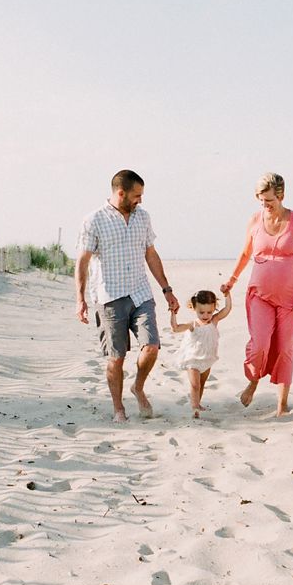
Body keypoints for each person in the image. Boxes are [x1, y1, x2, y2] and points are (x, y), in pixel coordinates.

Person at [75, 169, 180, 423]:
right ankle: (118, 408)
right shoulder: (94, 220)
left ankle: (138, 387)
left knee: (152, 346)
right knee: (116, 357)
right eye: (136, 195)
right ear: (120, 193)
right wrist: (80, 299)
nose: (140, 200)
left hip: (141, 292)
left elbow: (151, 255)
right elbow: (82, 261)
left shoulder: (142, 218)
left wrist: (167, 289)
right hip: (109, 296)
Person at [220, 172, 293, 417]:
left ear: (281, 196)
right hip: (259, 294)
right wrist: (231, 280)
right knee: (260, 344)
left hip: (292, 298)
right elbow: (244, 254)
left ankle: (282, 406)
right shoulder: (254, 220)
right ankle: (253, 382)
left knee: (285, 349)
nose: (265, 206)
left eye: (269, 201)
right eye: (261, 201)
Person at [167, 289, 232, 418]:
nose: (206, 315)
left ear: (214, 309)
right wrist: (173, 314)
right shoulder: (194, 324)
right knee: (195, 385)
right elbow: (175, 328)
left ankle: (198, 403)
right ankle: (194, 408)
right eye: (201, 312)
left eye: (209, 312)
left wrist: (227, 295)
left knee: (202, 384)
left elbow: (227, 309)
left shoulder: (214, 321)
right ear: (194, 308)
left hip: (207, 359)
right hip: (193, 359)